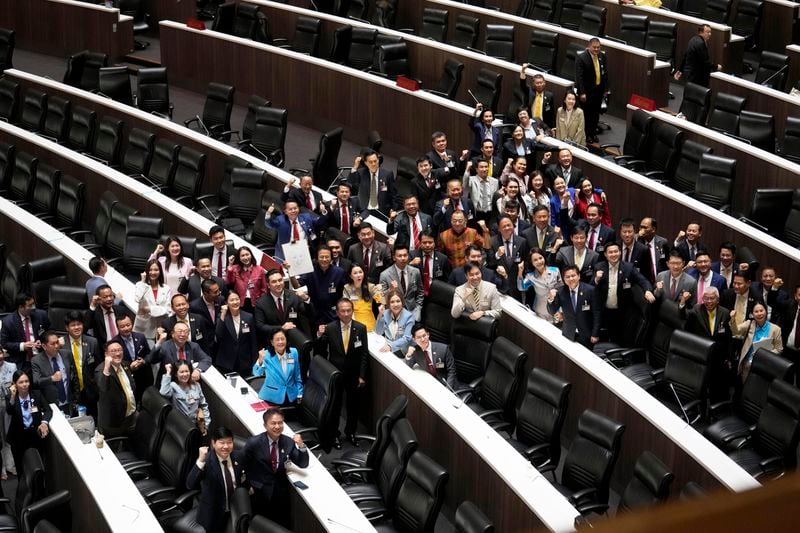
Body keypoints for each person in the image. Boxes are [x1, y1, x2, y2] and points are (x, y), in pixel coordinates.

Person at [243, 408, 309, 526]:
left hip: (280, 491)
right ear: (265, 425)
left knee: (280, 523)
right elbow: (243, 464)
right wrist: (249, 484)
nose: (277, 426)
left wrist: (301, 445)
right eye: (273, 423)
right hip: (260, 490)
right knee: (261, 524)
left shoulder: (288, 442)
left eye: (280, 423)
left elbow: (303, 463)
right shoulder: (254, 443)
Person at [317, 299, 369, 447]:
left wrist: (362, 375)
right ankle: (334, 435)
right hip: (336, 373)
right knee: (335, 406)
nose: (346, 314)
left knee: (353, 406)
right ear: (337, 313)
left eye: (349, 310)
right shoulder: (330, 328)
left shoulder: (360, 328)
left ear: (352, 311)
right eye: (343, 311)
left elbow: (364, 354)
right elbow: (320, 350)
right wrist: (319, 335)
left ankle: (351, 432)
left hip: (354, 375)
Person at [186, 427, 245, 533]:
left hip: (235, 511)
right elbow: (190, 484)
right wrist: (200, 461)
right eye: (222, 443)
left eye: (229, 442)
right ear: (213, 443)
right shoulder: (207, 461)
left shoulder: (238, 456)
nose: (226, 447)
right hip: (214, 515)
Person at [593, 242, 656, 340]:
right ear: (605, 254)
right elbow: (590, 287)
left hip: (622, 312)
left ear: (620, 252)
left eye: (616, 251)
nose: (613, 254)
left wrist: (647, 290)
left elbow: (642, 280)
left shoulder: (628, 268)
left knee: (620, 339)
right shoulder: (599, 267)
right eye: (610, 252)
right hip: (604, 311)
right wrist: (596, 279)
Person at [681, 287, 733, 401]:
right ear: (702, 299)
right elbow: (684, 317)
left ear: (718, 300)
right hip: (701, 354)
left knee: (718, 387)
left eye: (712, 298)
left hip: (718, 357)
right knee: (701, 387)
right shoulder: (696, 310)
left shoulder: (725, 313)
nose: (709, 301)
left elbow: (728, 338)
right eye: (706, 298)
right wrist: (682, 303)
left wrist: (729, 357)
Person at [6, 370, 51, 475]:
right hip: (18, 438)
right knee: (21, 469)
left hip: (34, 435)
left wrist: (44, 422)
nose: (24, 384)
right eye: (21, 382)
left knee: (39, 467)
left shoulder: (36, 394)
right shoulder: (11, 397)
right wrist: (12, 396)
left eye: (26, 381)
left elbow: (48, 410)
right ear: (14, 384)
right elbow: (9, 411)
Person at [547, 265, 601, 348]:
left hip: (587, 334)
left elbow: (597, 314)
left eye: (573, 276)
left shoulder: (590, 290)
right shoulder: (561, 292)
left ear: (579, 276)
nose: (571, 279)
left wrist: (595, 333)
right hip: (568, 333)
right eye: (567, 277)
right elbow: (552, 311)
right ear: (564, 279)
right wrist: (551, 299)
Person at [290, 245, 346, 326]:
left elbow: (342, 294)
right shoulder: (310, 271)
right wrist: (291, 272)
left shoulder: (339, 272)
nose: (324, 259)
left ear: (331, 258)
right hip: (315, 313)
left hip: (333, 314)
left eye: (327, 257)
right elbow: (296, 285)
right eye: (321, 257)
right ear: (317, 258)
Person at [255, 269, 311, 345]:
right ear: (268, 285)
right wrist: (281, 328)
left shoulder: (293, 296)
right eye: (274, 282)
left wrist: (306, 299)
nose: (278, 284)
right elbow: (260, 326)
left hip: (294, 340)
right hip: (274, 342)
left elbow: (307, 313)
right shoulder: (261, 303)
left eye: (280, 280)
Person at [731, 302, 783, 382]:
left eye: (761, 311)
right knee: (746, 388)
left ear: (766, 312)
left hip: (765, 365)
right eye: (756, 311)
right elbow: (735, 331)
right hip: (748, 365)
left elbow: (779, 349)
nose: (759, 314)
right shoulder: (749, 324)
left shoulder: (776, 329)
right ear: (752, 314)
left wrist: (764, 354)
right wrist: (733, 319)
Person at [31, 331, 79, 416]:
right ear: (44, 346)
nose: (56, 346)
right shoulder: (36, 361)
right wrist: (52, 378)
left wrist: (76, 400)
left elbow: (74, 377)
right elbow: (36, 381)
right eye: (53, 344)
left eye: (57, 342)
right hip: (51, 406)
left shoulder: (67, 354)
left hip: (69, 403)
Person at [96, 341, 137, 438]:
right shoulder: (101, 370)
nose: (117, 354)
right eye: (113, 351)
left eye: (119, 350)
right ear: (106, 354)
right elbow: (103, 389)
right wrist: (106, 367)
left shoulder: (125, 365)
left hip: (130, 417)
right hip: (114, 423)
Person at [252, 329, 303, 406]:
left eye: (282, 339)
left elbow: (297, 376)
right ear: (272, 342)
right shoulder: (266, 355)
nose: (280, 342)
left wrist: (299, 393)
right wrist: (260, 361)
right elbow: (256, 374)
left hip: (291, 396)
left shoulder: (293, 352)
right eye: (277, 340)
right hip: (271, 397)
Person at [148, 322, 213, 380]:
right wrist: (159, 342)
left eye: (185, 332)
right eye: (180, 331)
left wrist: (198, 370)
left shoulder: (193, 346)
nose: (183, 334)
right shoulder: (165, 346)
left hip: (187, 384)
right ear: (172, 334)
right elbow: (152, 360)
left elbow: (207, 359)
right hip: (168, 383)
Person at [111, 314, 152, 406]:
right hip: (127, 380)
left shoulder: (140, 337)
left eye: (128, 325)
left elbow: (148, 355)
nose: (126, 328)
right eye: (122, 326)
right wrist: (129, 367)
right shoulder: (114, 343)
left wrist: (143, 361)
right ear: (117, 327)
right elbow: (114, 364)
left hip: (144, 377)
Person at [160, 361, 211, 435]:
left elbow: (204, 405)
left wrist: (206, 425)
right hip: (178, 427)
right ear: (176, 374)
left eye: (187, 371)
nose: (185, 374)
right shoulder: (173, 386)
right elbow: (163, 392)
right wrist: (168, 372)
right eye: (181, 372)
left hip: (194, 427)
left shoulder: (196, 386)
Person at [1, 293, 51, 368]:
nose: (34, 307)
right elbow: (4, 343)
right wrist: (22, 346)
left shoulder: (41, 315)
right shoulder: (8, 322)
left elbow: (50, 331)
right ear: (21, 307)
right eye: (30, 305)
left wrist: (44, 340)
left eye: (33, 304)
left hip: (42, 357)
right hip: (21, 361)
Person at [215, 292, 258, 376]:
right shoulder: (222, 317)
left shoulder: (248, 317)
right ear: (226, 303)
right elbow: (218, 335)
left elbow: (253, 341)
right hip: (227, 362)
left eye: (237, 299)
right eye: (231, 300)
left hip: (245, 362)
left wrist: (254, 362)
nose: (235, 302)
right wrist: (223, 314)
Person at [575, 37, 609, 143]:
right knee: (587, 114)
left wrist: (606, 89)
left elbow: (605, 74)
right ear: (589, 46)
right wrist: (582, 92)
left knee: (595, 114)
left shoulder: (602, 56)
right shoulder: (581, 58)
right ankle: (586, 135)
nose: (596, 50)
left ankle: (593, 133)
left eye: (598, 47)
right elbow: (579, 77)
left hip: (598, 91)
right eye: (594, 47)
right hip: (587, 92)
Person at [404, 324, 458, 389]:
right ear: (414, 339)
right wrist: (408, 355)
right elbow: (408, 367)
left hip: (446, 384)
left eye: (424, 335)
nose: (423, 339)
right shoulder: (416, 351)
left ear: (428, 334)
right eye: (419, 337)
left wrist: (448, 390)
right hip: (430, 385)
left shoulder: (443, 349)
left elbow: (451, 371)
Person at [379, 245, 423, 321]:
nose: (403, 258)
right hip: (393, 315)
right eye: (399, 256)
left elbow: (420, 292)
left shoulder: (415, 272)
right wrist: (390, 289)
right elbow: (382, 299)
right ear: (394, 258)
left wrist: (418, 309)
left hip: (413, 314)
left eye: (405, 255)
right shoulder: (385, 275)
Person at [518, 248, 563, 321]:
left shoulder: (555, 270)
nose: (539, 261)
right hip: (540, 311)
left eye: (540, 258)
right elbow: (521, 287)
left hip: (556, 309)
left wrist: (561, 310)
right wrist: (520, 272)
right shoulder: (531, 276)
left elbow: (562, 289)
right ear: (532, 263)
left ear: (544, 258)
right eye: (535, 260)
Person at [349, 150, 398, 215]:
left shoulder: (387, 174)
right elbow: (350, 183)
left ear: (378, 160)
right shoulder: (361, 173)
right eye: (370, 162)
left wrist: (393, 209)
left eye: (375, 161)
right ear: (366, 163)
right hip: (364, 210)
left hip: (381, 211)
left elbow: (394, 194)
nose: (374, 164)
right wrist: (355, 167)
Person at [133, 259, 172, 340]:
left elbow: (167, 310)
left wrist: (150, 309)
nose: (153, 272)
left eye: (156, 270)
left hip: (160, 327)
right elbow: (137, 299)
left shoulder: (166, 288)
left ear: (160, 271)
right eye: (150, 270)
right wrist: (143, 282)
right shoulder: (140, 285)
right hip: (144, 327)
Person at [343, 264, 383, 332]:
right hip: (353, 320)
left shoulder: (370, 287)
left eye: (360, 272)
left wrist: (381, 304)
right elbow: (345, 305)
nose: (358, 275)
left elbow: (380, 298)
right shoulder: (347, 288)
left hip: (369, 321)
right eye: (355, 273)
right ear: (350, 276)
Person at [226, 246, 267, 313]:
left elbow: (264, 289)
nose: (245, 258)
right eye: (242, 255)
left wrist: (261, 302)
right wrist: (230, 266)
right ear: (239, 258)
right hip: (241, 303)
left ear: (251, 255)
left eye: (247, 254)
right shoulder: (235, 269)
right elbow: (228, 282)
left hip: (256, 303)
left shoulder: (260, 269)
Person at [411, 229, 451, 296]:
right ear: (420, 242)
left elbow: (447, 280)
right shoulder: (412, 256)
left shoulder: (443, 259)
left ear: (434, 242)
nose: (427, 245)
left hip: (437, 295)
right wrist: (411, 264)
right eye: (424, 242)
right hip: (417, 295)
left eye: (430, 242)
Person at [0, 349, 17, 479]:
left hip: (9, 404)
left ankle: (12, 465)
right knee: (0, 437)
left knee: (10, 434)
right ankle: (2, 468)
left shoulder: (12, 366)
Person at [638, 216, 671, 280]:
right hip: (643, 281)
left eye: (645, 227)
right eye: (641, 227)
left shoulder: (663, 242)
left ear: (653, 229)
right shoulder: (637, 242)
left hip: (660, 280)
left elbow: (667, 262)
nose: (642, 230)